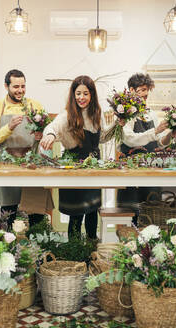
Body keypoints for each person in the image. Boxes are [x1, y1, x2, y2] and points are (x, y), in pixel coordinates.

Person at [40, 75, 122, 240]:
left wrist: (117, 124)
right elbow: (53, 126)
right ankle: (75, 252)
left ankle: (92, 247)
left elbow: (103, 138)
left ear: (91, 95)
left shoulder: (96, 114)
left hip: (93, 167)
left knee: (92, 211)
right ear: (73, 94)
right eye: (78, 93)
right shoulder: (67, 115)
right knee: (76, 213)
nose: (81, 97)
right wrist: (49, 134)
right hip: (74, 167)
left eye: (85, 93)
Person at [0, 69, 51, 229]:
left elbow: (48, 132)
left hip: (32, 165)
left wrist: (40, 134)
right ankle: (7, 249)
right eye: (15, 87)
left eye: (23, 86)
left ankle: (38, 248)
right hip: (6, 166)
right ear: (6, 86)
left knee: (36, 211)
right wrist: (9, 126)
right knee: (8, 212)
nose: (20, 90)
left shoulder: (35, 106)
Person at [117, 73, 176, 225]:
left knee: (152, 215)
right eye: (142, 90)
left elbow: (158, 143)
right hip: (130, 170)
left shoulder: (151, 114)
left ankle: (149, 248)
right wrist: (156, 131)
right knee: (131, 216)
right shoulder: (126, 114)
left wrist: (170, 134)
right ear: (131, 90)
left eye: (147, 91)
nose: (145, 94)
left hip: (151, 169)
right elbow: (129, 139)